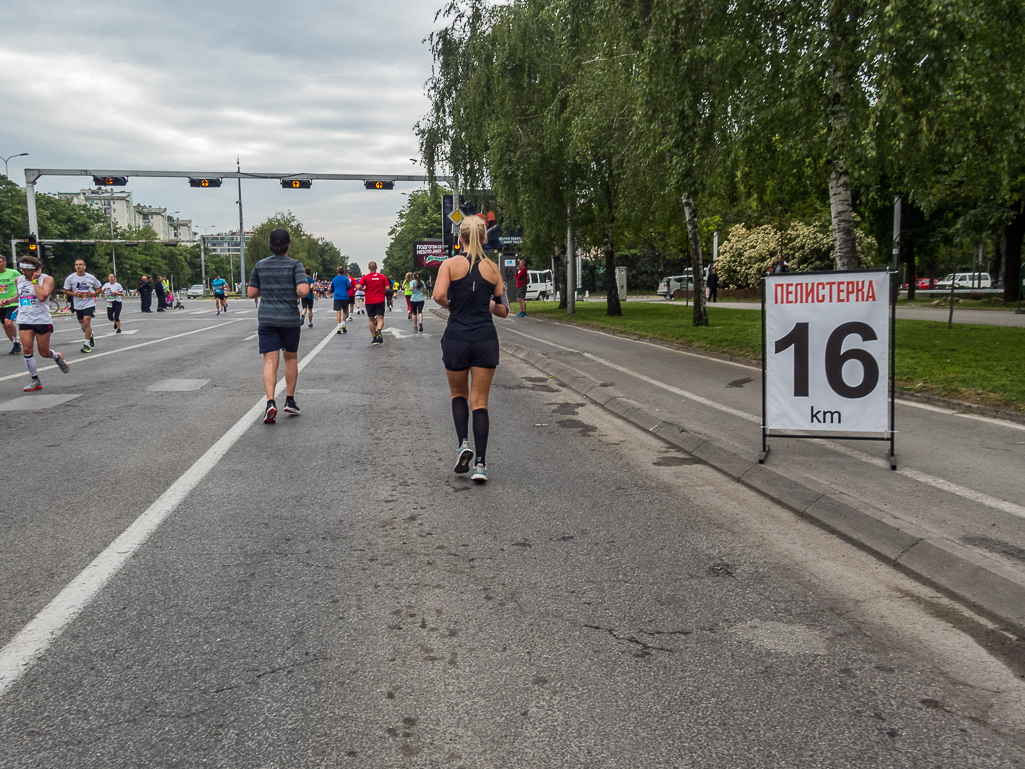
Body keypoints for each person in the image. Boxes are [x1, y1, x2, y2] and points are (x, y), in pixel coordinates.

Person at [433, 215, 509, 483]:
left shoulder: (450, 264)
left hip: (456, 337)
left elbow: (438, 295)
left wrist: (456, 305)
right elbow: (503, 310)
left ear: (459, 238)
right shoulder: (493, 268)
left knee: (458, 395)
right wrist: (484, 304)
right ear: (485, 239)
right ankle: (480, 465)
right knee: (480, 402)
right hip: (485, 339)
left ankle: (463, 443)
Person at [247, 228, 309, 423]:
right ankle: (289, 400)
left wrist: (265, 289)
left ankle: (270, 402)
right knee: (290, 359)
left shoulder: (260, 265)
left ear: (270, 245)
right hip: (289, 319)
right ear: (288, 245)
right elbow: (303, 290)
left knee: (270, 362)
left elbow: (251, 293)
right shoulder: (295, 265)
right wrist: (296, 292)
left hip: (267, 318)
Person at [6, 255, 70, 391]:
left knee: (44, 352)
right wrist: (10, 301)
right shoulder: (19, 279)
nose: (24, 272)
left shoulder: (46, 279)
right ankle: (35, 379)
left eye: (26, 270)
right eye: (22, 269)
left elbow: (42, 296)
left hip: (41, 319)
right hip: (24, 318)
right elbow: (20, 295)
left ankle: (57, 357)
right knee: (27, 349)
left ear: (36, 269)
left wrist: (35, 281)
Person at [64, 259, 102, 354]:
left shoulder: (90, 277)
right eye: (76, 265)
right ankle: (90, 336)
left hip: (89, 303)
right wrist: (75, 294)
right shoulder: (70, 278)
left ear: (84, 266)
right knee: (82, 325)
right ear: (74, 266)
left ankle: (87, 345)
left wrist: (92, 294)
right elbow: (66, 291)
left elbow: (99, 289)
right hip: (78, 303)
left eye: (80, 264)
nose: (78, 266)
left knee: (86, 321)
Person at [357, 262, 389, 345]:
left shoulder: (365, 277)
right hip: (380, 299)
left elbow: (359, 286)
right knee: (380, 318)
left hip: (369, 300)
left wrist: (364, 289)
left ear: (369, 268)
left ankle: (374, 338)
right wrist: (382, 290)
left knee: (371, 319)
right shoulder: (382, 277)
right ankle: (378, 330)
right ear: (376, 267)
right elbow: (387, 288)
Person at [0, 255, 22, 354]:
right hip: (1, 304)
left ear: (5, 263)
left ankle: (16, 343)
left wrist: (16, 296)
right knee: (5, 326)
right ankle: (15, 343)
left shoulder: (13, 273)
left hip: (13, 303)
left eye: (0, 262)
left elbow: (22, 284)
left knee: (8, 322)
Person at [331, 266, 352, 334]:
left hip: (337, 296)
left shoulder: (334, 279)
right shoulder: (346, 278)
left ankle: (338, 326)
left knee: (338, 312)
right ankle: (344, 323)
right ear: (343, 272)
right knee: (345, 311)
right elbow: (349, 286)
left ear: (337, 272)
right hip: (345, 296)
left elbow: (332, 288)